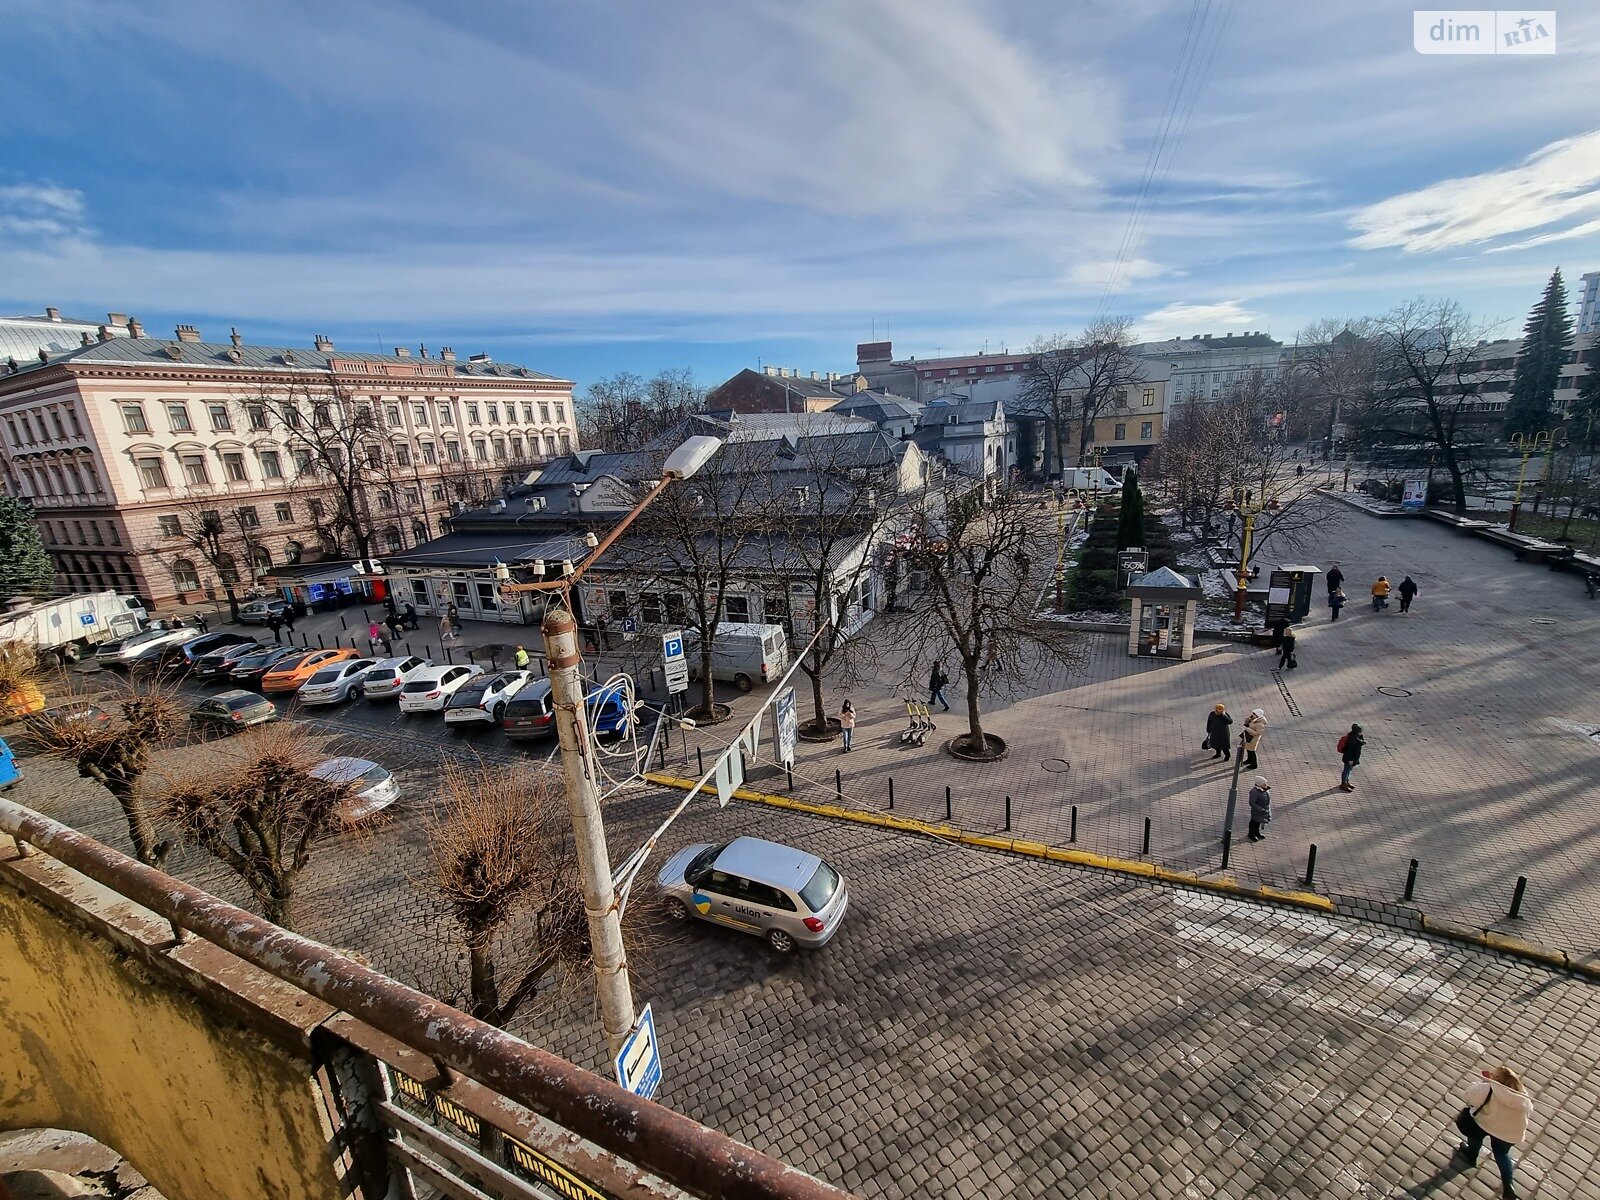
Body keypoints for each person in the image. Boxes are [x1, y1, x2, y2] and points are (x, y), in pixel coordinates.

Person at [1454, 1065, 1533, 1199]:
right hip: (1509, 1132)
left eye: (1493, 1074)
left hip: (1487, 1122)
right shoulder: (1522, 1096)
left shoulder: (1487, 1089)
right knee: (1502, 1154)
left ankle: (1471, 1155)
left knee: (1475, 1134)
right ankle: (1508, 1186)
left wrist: (1483, 1083)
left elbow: (1468, 1095)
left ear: (1496, 1079)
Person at [1338, 723, 1364, 791]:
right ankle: (1344, 783)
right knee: (1347, 770)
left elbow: (1358, 745)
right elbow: (1350, 751)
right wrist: (1351, 760)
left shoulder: (1356, 737)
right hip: (1350, 758)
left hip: (1353, 758)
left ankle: (1346, 781)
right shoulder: (1351, 740)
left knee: (1349, 770)